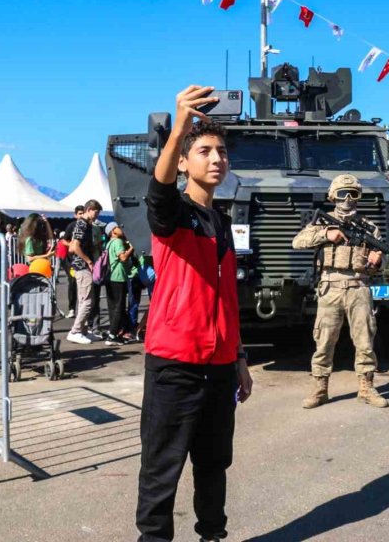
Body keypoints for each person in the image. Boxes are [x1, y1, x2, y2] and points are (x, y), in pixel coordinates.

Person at [137, 85, 252, 542]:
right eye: (204, 151)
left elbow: (226, 299)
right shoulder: (174, 215)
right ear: (183, 162)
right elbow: (158, 191)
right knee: (161, 471)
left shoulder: (221, 220)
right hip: (175, 368)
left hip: (220, 368)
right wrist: (181, 124)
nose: (216, 158)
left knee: (213, 466)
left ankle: (211, 536)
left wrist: (239, 357)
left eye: (222, 151)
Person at [292, 173, 389, 410]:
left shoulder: (368, 228)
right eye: (342, 193)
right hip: (330, 286)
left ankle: (366, 387)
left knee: (365, 340)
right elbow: (298, 241)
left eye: (352, 194)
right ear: (333, 196)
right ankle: (320, 389)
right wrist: (327, 234)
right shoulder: (322, 223)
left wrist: (378, 260)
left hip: (359, 286)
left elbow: (382, 264)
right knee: (324, 341)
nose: (347, 199)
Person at [67, 200, 102, 345]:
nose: (96, 215)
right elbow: (74, 246)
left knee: (85, 300)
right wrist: (88, 261)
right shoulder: (82, 224)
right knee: (87, 301)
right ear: (89, 209)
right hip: (82, 267)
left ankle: (83, 330)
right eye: (95, 212)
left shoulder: (86, 225)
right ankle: (75, 331)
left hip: (81, 267)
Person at [104, 221, 134, 346]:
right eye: (117, 226)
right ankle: (112, 335)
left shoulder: (109, 243)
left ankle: (114, 332)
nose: (120, 228)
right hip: (118, 277)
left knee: (113, 306)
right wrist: (132, 247)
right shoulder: (117, 242)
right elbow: (123, 258)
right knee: (119, 307)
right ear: (113, 231)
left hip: (110, 278)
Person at [63, 205, 84, 318]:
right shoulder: (71, 226)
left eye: (82, 213)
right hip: (72, 260)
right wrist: (71, 244)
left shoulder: (88, 226)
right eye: (79, 213)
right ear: (75, 215)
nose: (81, 215)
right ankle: (72, 309)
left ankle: (83, 308)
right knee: (72, 283)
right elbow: (63, 241)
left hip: (84, 259)